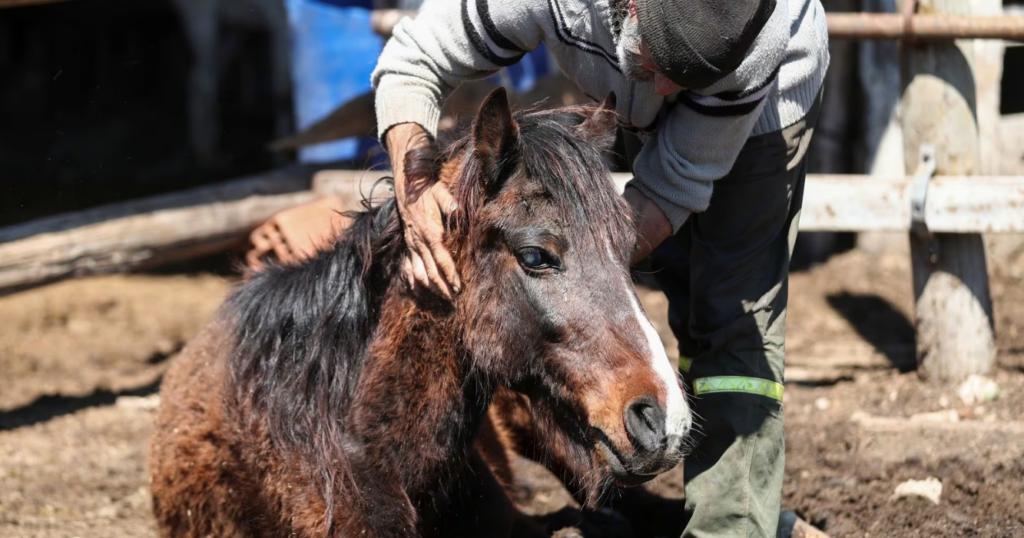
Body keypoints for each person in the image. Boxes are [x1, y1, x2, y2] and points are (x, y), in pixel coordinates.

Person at [251, 0, 828, 535]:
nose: (672, 90)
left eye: (688, 78)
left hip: (759, 113)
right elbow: (413, 60)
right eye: (664, 66)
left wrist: (573, 270)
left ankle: (732, 525)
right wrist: (416, 190)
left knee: (730, 316)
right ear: (626, 7)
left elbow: (675, 183)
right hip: (621, 78)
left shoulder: (758, 45)